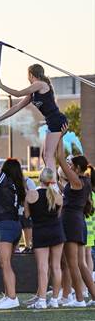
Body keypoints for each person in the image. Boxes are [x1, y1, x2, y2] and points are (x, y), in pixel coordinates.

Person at [0, 64, 67, 175]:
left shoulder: (40, 84)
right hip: (51, 122)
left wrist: (1, 85)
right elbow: (17, 107)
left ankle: (53, 183)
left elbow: (18, 93)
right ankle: (51, 180)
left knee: (48, 156)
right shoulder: (33, 93)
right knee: (45, 155)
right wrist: (0, 118)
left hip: (57, 120)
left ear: (31, 75)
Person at [56, 126, 95, 307]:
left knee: (72, 263)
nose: (69, 167)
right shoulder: (84, 181)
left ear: (77, 168)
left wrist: (60, 137)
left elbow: (60, 159)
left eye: (72, 166)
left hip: (71, 222)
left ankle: (79, 299)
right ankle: (92, 296)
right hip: (77, 221)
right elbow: (68, 193)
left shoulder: (77, 180)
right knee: (81, 263)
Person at [0, 155, 26, 309]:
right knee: (5, 263)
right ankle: (8, 295)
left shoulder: (5, 182)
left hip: (4, 226)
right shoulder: (16, 186)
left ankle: (13, 297)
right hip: (14, 225)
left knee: (5, 263)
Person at [25, 168, 64, 309]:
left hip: (40, 232)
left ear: (40, 178)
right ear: (52, 180)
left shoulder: (31, 194)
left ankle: (42, 300)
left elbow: (26, 215)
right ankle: (54, 300)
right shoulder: (57, 196)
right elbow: (58, 215)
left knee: (43, 267)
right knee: (56, 266)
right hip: (56, 232)